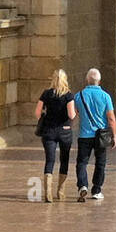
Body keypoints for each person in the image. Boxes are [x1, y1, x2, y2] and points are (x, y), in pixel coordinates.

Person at [74, 68, 116, 201]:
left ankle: (82, 185)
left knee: (82, 162)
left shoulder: (79, 95)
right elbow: (111, 118)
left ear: (87, 80)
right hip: (101, 136)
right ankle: (96, 190)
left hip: (84, 135)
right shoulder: (105, 96)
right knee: (100, 163)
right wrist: (114, 135)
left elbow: (74, 114)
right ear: (99, 81)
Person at [34, 69, 76, 202]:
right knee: (64, 159)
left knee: (50, 160)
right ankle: (61, 192)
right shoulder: (68, 95)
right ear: (65, 80)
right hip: (64, 131)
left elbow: (37, 112)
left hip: (49, 131)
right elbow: (71, 115)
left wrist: (45, 116)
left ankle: (48, 194)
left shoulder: (46, 94)